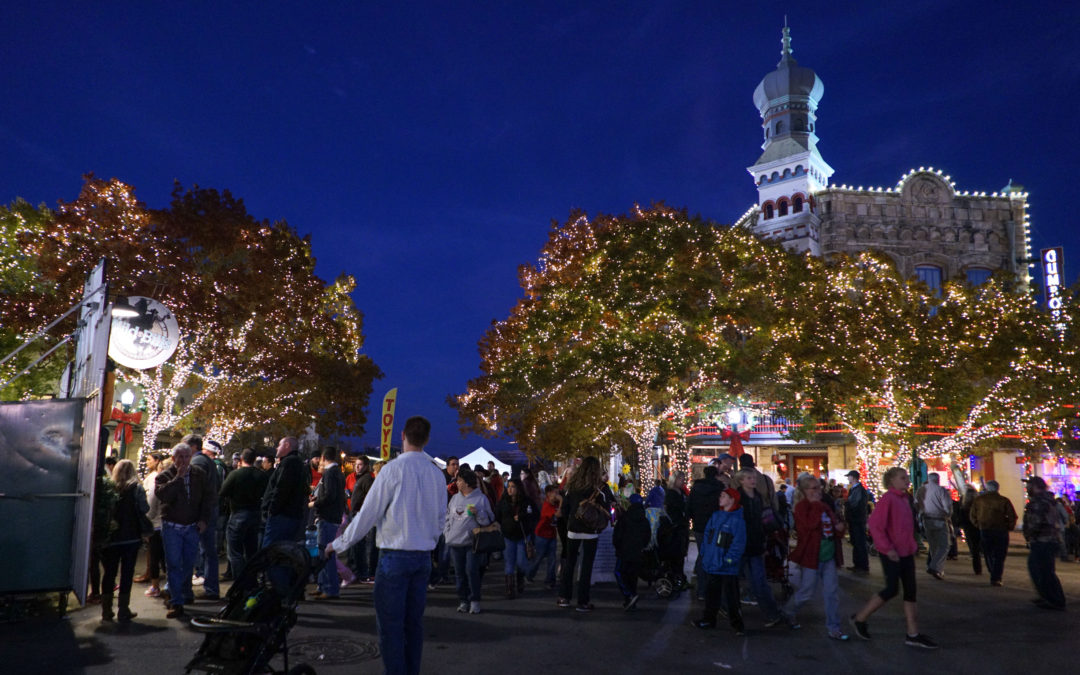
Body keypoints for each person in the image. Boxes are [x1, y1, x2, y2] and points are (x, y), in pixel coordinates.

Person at [327, 416, 446, 675]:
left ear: (402, 435)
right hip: (422, 556)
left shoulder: (392, 470)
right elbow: (441, 519)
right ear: (426, 439)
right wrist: (430, 540)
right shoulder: (436, 473)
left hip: (395, 556)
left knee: (391, 626)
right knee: (413, 624)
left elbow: (367, 515)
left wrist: (338, 544)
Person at [850, 467, 938, 649]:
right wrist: (887, 548)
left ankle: (912, 633)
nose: (907, 480)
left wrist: (911, 544)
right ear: (891, 481)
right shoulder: (888, 499)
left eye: (907, 477)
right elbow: (875, 524)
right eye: (903, 478)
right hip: (892, 552)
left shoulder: (905, 499)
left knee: (910, 590)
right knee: (891, 589)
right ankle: (860, 618)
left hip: (905, 551)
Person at [782, 475, 848, 640]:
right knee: (806, 591)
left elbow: (835, 530)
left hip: (829, 555)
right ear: (805, 491)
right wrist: (818, 507)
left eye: (819, 487)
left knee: (831, 592)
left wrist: (840, 528)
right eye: (814, 488)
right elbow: (808, 526)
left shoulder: (824, 506)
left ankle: (834, 626)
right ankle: (788, 611)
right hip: (812, 556)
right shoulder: (802, 507)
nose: (818, 491)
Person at [155, 442, 213, 619]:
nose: (183, 460)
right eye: (180, 456)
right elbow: (163, 496)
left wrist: (204, 519)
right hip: (172, 526)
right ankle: (176, 601)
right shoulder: (165, 475)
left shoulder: (199, 474)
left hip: (192, 526)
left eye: (187, 456)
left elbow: (208, 498)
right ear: (173, 458)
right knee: (173, 564)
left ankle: (184, 592)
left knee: (189, 563)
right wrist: (178, 479)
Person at [557, 456, 613, 612]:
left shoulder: (572, 487)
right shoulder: (599, 489)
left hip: (573, 530)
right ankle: (582, 601)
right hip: (591, 531)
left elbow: (565, 509)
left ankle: (564, 597)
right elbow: (606, 509)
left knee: (569, 564)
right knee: (586, 567)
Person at [100, 459, 150, 622]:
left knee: (109, 573)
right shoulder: (136, 488)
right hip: (131, 536)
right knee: (127, 573)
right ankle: (123, 609)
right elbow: (144, 508)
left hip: (112, 537)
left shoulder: (109, 488)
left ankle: (106, 610)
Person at [734, 468, 784, 627]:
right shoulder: (737, 497)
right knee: (731, 580)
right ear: (741, 480)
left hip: (755, 544)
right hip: (741, 544)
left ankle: (772, 613)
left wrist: (764, 540)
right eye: (749, 478)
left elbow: (761, 521)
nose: (753, 480)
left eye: (753, 477)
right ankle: (728, 609)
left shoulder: (758, 497)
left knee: (759, 581)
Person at [694, 488, 746, 635]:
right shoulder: (716, 515)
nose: (720, 498)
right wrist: (705, 554)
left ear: (732, 500)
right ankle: (709, 619)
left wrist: (728, 560)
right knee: (712, 595)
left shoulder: (737, 520)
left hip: (726, 566)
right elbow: (707, 536)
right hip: (713, 564)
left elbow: (738, 544)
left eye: (723, 496)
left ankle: (737, 624)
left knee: (731, 597)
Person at [443, 466, 494, 614]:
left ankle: (475, 600)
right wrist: (447, 533)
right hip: (455, 542)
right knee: (459, 573)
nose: (457, 483)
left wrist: (479, 514)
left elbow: (489, 520)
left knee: (471, 571)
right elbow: (447, 517)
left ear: (467, 483)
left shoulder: (481, 498)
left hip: (473, 543)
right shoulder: (454, 498)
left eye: (459, 480)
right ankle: (463, 600)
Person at [219, 448, 269, 580]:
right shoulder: (261, 475)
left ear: (241, 459)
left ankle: (240, 582)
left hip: (238, 513)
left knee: (235, 551)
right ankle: (251, 580)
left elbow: (223, 492)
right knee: (251, 549)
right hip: (255, 514)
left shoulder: (235, 475)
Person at [184, 434, 222, 599]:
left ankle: (186, 590)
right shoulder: (209, 462)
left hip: (200, 513)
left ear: (193, 447)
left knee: (192, 550)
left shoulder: (197, 462)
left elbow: (194, 490)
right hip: (208, 511)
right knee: (208, 550)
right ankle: (211, 587)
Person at [1022, 476, 1066, 610]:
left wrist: (1029, 533)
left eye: (1029, 486)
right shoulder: (1047, 500)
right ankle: (1048, 596)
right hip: (1046, 540)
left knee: (1043, 571)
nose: (1027, 488)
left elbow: (1036, 522)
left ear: (1035, 487)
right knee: (1041, 569)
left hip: (1043, 540)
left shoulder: (1039, 502)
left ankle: (1055, 599)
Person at [310, 447, 346, 599]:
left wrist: (315, 504)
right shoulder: (338, 473)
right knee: (323, 553)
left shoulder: (330, 473)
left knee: (326, 554)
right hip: (332, 517)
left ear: (324, 458)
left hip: (328, 517)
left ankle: (330, 588)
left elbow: (329, 496)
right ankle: (323, 585)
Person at [262, 436, 308, 546]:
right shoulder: (298, 463)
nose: (277, 448)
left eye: (279, 445)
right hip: (289, 515)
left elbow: (281, 488)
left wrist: (272, 509)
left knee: (271, 551)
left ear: (287, 445)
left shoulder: (289, 463)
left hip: (281, 517)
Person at [687, 465, 725, 600]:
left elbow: (689, 506)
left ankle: (702, 590)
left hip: (699, 526)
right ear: (716, 475)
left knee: (703, 554)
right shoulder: (719, 488)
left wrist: (693, 518)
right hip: (715, 526)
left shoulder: (696, 488)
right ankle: (711, 589)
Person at [495, 477, 537, 598]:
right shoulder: (503, 502)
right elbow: (497, 516)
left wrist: (523, 516)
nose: (510, 489)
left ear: (518, 488)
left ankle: (520, 581)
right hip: (508, 536)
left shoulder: (527, 501)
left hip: (522, 536)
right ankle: (510, 589)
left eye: (513, 487)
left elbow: (534, 515)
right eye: (509, 487)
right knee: (509, 563)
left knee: (521, 562)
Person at [134, 451, 165, 597]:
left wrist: (147, 522)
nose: (147, 462)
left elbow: (152, 503)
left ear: (157, 461)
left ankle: (155, 585)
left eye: (149, 459)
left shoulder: (154, 479)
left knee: (154, 555)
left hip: (156, 524)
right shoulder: (156, 478)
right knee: (158, 555)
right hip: (159, 523)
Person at [613, 493, 650, 610]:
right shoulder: (644, 519)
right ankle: (631, 599)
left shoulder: (625, 518)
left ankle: (629, 595)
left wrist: (618, 547)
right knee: (633, 575)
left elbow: (617, 535)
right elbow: (647, 536)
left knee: (619, 572)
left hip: (624, 551)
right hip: (637, 552)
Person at [348, 454, 378, 583]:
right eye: (356, 465)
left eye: (360, 465)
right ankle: (358, 570)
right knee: (356, 545)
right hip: (356, 514)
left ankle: (361, 572)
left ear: (366, 466)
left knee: (359, 545)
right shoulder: (359, 478)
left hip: (360, 515)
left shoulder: (366, 479)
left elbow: (370, 498)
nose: (357, 467)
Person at [917, 473, 952, 580]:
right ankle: (935, 567)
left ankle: (938, 569)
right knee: (944, 545)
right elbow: (948, 506)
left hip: (926, 520)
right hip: (940, 519)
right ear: (938, 479)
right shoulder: (941, 490)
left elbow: (916, 503)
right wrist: (948, 515)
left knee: (933, 546)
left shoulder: (921, 490)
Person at [526, 484, 561, 588]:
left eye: (558, 493)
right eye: (555, 493)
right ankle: (529, 574)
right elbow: (558, 515)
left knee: (552, 558)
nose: (557, 495)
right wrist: (562, 501)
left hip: (551, 535)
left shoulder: (555, 504)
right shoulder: (547, 505)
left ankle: (550, 580)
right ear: (548, 494)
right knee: (539, 558)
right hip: (541, 535)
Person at [845, 470, 870, 573]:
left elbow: (855, 504)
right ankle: (858, 564)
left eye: (849, 477)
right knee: (856, 542)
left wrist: (847, 505)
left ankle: (862, 566)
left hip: (857, 520)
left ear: (853, 477)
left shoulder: (858, 490)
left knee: (859, 542)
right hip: (855, 520)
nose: (848, 478)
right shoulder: (855, 489)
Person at [957, 486, 983, 576]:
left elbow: (961, 518)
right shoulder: (980, 504)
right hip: (979, 527)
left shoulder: (964, 505)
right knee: (980, 546)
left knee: (974, 549)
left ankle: (977, 568)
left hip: (969, 528)